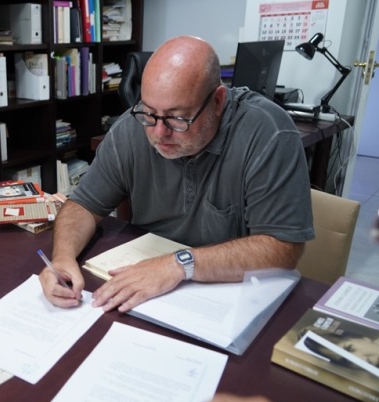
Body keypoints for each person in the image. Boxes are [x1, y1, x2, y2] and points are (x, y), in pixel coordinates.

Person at [39, 35, 314, 312]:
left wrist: (179, 264)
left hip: (227, 298)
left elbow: (282, 247)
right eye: (149, 113)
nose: (159, 132)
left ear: (218, 101)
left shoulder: (268, 133)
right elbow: (83, 205)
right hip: (146, 290)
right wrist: (62, 259)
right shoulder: (131, 128)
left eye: (177, 117)